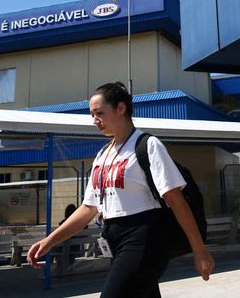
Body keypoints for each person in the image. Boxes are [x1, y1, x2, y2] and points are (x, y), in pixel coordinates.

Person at [27, 82, 214, 297]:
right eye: (92, 115)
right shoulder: (102, 155)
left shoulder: (148, 145)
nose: (95, 120)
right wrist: (50, 240)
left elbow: (175, 199)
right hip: (115, 238)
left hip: (144, 237)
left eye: (99, 113)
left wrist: (200, 250)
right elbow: (88, 208)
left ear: (121, 108)